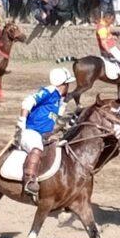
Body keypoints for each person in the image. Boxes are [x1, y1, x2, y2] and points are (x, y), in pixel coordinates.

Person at [16, 67, 75, 200]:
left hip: (45, 135)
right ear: (63, 84)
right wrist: (22, 121)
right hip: (31, 131)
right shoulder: (49, 91)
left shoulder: (58, 99)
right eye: (68, 84)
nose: (69, 87)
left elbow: (56, 119)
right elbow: (27, 102)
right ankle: (29, 181)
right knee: (36, 148)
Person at [95, 10, 120, 80]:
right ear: (107, 18)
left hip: (112, 47)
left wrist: (113, 37)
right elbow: (103, 42)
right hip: (110, 49)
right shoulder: (102, 28)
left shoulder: (106, 26)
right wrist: (109, 52)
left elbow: (107, 36)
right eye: (112, 20)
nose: (112, 21)